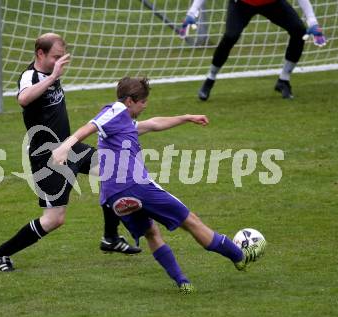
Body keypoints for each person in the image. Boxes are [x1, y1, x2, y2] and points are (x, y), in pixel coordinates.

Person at [52, 77, 266, 293]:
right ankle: (240, 257)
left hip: (114, 196)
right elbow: (88, 126)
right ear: (129, 101)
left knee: (151, 233)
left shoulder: (123, 121)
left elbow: (153, 124)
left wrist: (186, 117)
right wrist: (64, 148)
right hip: (135, 184)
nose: (145, 105)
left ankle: (182, 282)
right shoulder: (115, 110)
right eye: (142, 101)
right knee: (191, 221)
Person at [0, 33, 140, 272]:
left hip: (69, 147)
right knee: (54, 219)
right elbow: (23, 99)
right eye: (56, 57)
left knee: (116, 172)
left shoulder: (49, 73)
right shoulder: (32, 76)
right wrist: (54, 76)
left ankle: (110, 238)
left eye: (62, 58)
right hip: (47, 157)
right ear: (40, 54)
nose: (60, 62)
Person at [179, 0, 326, 100]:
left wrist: (312, 21)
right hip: (242, 4)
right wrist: (192, 12)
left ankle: (284, 80)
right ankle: (210, 79)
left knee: (299, 31)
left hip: (272, 3)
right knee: (230, 36)